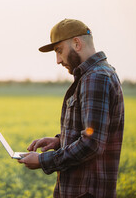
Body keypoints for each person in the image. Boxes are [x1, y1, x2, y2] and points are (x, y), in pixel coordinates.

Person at [18, 19, 124, 198]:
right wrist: (59, 141)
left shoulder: (96, 78)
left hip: (86, 192)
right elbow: (91, 132)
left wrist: (43, 160)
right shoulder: (95, 75)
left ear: (77, 43)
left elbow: (92, 143)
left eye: (59, 51)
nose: (58, 60)